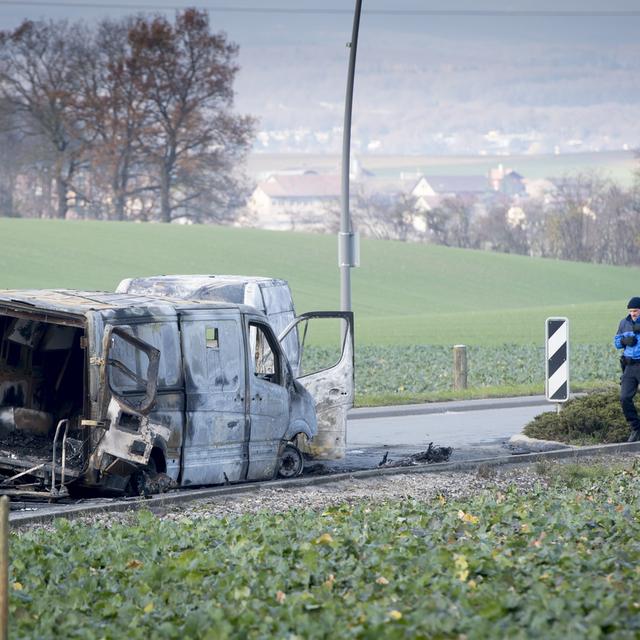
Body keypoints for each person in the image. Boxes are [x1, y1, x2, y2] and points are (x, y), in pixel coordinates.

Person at [614, 297, 640, 443]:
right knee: (624, 398)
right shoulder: (624, 323)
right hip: (629, 367)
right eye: (630, 311)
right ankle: (636, 428)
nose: (633, 314)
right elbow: (617, 342)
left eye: (635, 310)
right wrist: (624, 341)